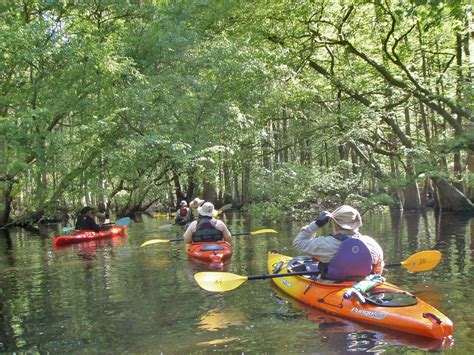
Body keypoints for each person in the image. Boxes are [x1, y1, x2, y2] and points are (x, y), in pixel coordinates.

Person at [293, 205, 384, 280]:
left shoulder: (327, 244)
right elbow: (379, 268)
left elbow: (299, 242)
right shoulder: (371, 243)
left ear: (336, 225)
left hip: (331, 286)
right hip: (363, 286)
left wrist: (316, 224)